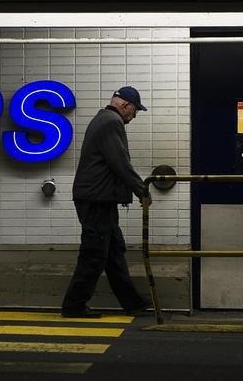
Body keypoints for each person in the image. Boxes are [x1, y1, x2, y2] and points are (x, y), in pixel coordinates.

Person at [61, 86, 153, 318]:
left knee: (113, 253)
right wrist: (142, 190)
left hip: (99, 199)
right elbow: (120, 162)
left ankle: (133, 304)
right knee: (94, 254)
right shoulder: (112, 122)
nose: (134, 116)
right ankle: (73, 306)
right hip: (96, 200)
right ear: (125, 105)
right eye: (135, 111)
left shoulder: (103, 119)